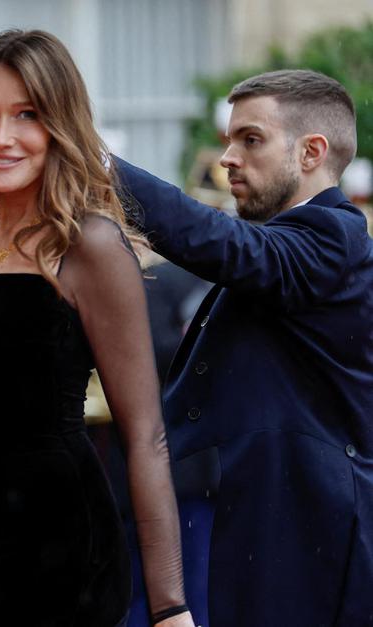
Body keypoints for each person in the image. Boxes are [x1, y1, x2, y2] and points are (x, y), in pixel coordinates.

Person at [0, 30, 193, 627]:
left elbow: (145, 432)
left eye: (27, 115)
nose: (0, 138)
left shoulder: (90, 246)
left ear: (61, 126)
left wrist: (170, 607)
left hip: (61, 547)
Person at [113, 69, 373, 627]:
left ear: (311, 153)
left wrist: (94, 161)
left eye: (250, 140)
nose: (228, 157)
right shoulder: (286, 243)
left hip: (304, 552)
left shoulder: (335, 237)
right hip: (254, 530)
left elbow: (217, 242)